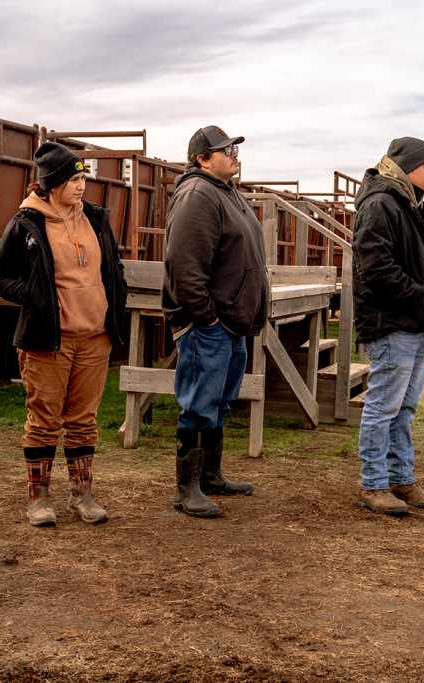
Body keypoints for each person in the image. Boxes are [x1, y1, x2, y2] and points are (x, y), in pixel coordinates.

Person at [0, 142, 127, 526]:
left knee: (84, 419)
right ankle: (39, 498)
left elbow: (112, 268)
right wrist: (33, 295)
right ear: (50, 184)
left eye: (83, 178)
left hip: (95, 336)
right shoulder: (27, 223)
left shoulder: (96, 220)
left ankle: (83, 494)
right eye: (72, 179)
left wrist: (118, 299)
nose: (81, 186)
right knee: (44, 419)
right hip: (49, 339)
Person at [162, 126, 267, 518]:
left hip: (231, 322)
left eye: (233, 149)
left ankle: (210, 475)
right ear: (202, 159)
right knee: (198, 404)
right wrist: (206, 319)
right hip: (211, 324)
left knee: (219, 403)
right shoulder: (198, 194)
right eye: (225, 150)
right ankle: (186, 488)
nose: (233, 155)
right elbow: (184, 265)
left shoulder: (226, 192)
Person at [352, 137, 424, 515]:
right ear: (407, 165)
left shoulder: (406, 203)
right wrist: (422, 297)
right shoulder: (381, 203)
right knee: (383, 406)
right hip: (393, 322)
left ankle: (399, 479)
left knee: (404, 407)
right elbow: (377, 267)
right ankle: (374, 484)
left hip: (413, 322)